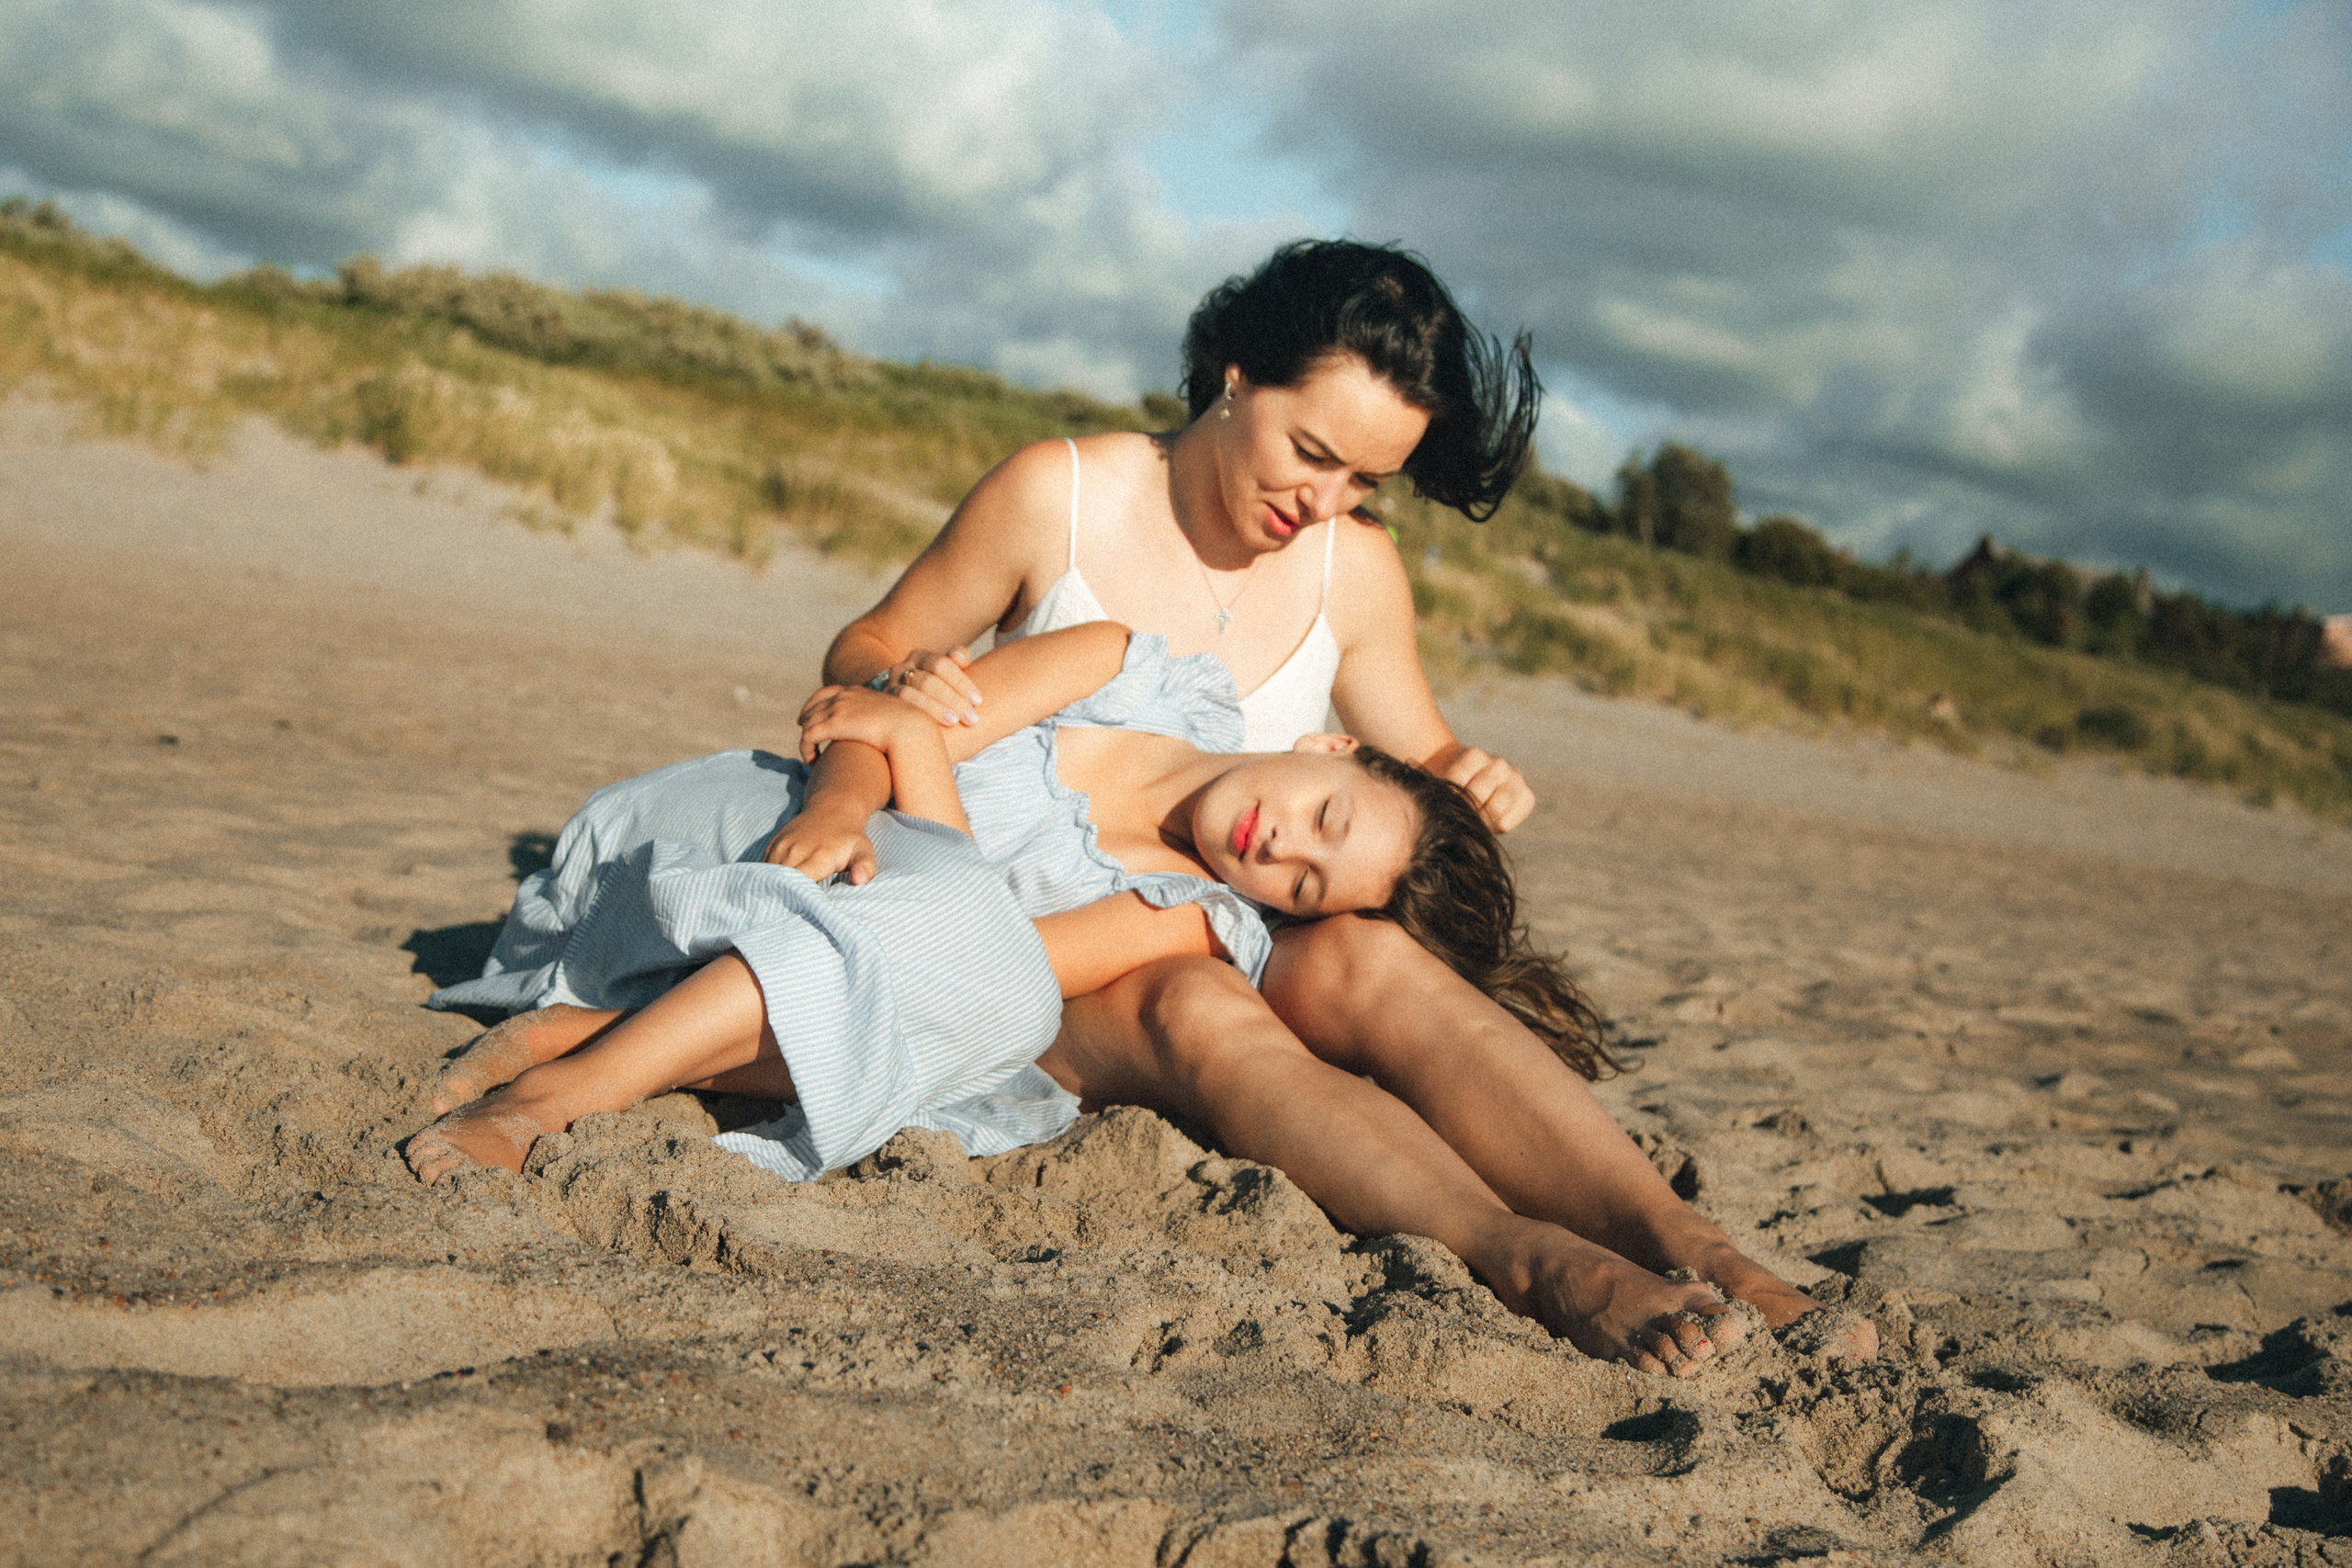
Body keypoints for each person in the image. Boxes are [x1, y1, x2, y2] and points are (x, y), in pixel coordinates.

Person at [806, 239, 1873, 1376]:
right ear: (1233, 375)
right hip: (1059, 937)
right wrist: (901, 680)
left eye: (1364, 481)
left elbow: (1415, 768)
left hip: (1244, 916)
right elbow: (868, 643)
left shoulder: (1351, 570)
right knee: (1194, 1001)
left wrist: (1474, 771)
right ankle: (1529, 1260)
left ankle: (1705, 1252)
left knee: (1373, 963)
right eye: (1312, 453)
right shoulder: (1060, 493)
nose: (1321, 503)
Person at [407, 624, 1609, 1233]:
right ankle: (577, 1041)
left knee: (983, 990)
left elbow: (979, 942)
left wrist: (922, 758)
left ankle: (552, 1084)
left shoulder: (1183, 915)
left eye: (1304, 884)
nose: (1279, 849)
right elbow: (865, 716)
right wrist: (852, 790)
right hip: (734, 832)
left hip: (816, 947)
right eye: (1325, 815)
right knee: (914, 949)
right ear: (1334, 746)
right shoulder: (1129, 669)